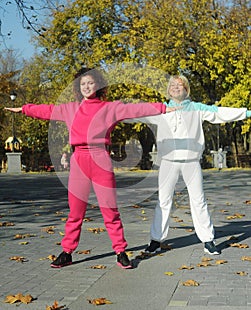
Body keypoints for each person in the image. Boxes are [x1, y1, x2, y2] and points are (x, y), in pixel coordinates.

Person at [5, 67, 175, 269]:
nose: (86, 86)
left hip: (100, 158)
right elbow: (47, 110)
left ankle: (120, 251)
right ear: (78, 87)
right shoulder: (70, 108)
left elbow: (135, 109)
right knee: (75, 212)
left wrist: (162, 108)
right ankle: (67, 252)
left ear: (99, 85)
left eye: (90, 83)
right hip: (79, 160)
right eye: (82, 83)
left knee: (109, 210)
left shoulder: (109, 108)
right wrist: (24, 109)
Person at [127, 75, 251, 255]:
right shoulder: (160, 110)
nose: (176, 87)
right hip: (168, 162)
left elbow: (220, 113)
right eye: (172, 85)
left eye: (180, 85)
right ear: (168, 89)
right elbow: (134, 114)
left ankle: (208, 240)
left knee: (199, 200)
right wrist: (110, 114)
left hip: (191, 162)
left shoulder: (196, 109)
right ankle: (156, 240)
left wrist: (246, 113)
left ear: (186, 89)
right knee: (163, 201)